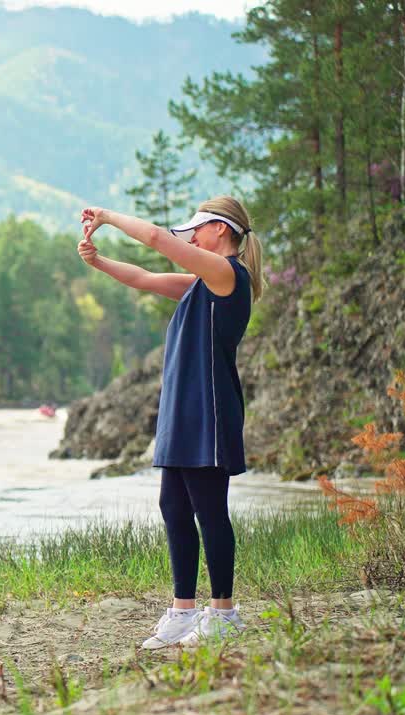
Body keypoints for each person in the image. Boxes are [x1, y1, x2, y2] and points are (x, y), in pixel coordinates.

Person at [77, 196, 265, 648]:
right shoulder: (200, 283)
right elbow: (142, 277)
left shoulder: (227, 275)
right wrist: (99, 261)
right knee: (174, 507)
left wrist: (106, 217)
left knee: (209, 509)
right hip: (183, 409)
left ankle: (224, 613)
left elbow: (160, 239)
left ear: (220, 230)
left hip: (210, 408)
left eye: (198, 229)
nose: (192, 235)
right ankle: (183, 612)